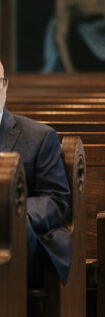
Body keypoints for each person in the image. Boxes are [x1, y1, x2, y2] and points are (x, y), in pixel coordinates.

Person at [0, 59, 71, 288]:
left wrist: (16, 211)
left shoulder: (38, 137)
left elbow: (57, 200)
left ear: (5, 86)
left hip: (18, 239)